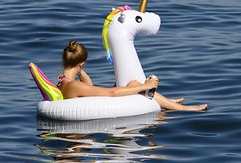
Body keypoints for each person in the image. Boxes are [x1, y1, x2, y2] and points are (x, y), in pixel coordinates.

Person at [57, 40, 207, 111]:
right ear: (82, 63)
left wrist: (79, 70)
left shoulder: (64, 81)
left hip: (85, 86)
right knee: (137, 85)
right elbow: (112, 93)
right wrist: (146, 86)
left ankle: (166, 102)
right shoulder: (73, 85)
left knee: (133, 83)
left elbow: (88, 86)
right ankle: (184, 109)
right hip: (108, 105)